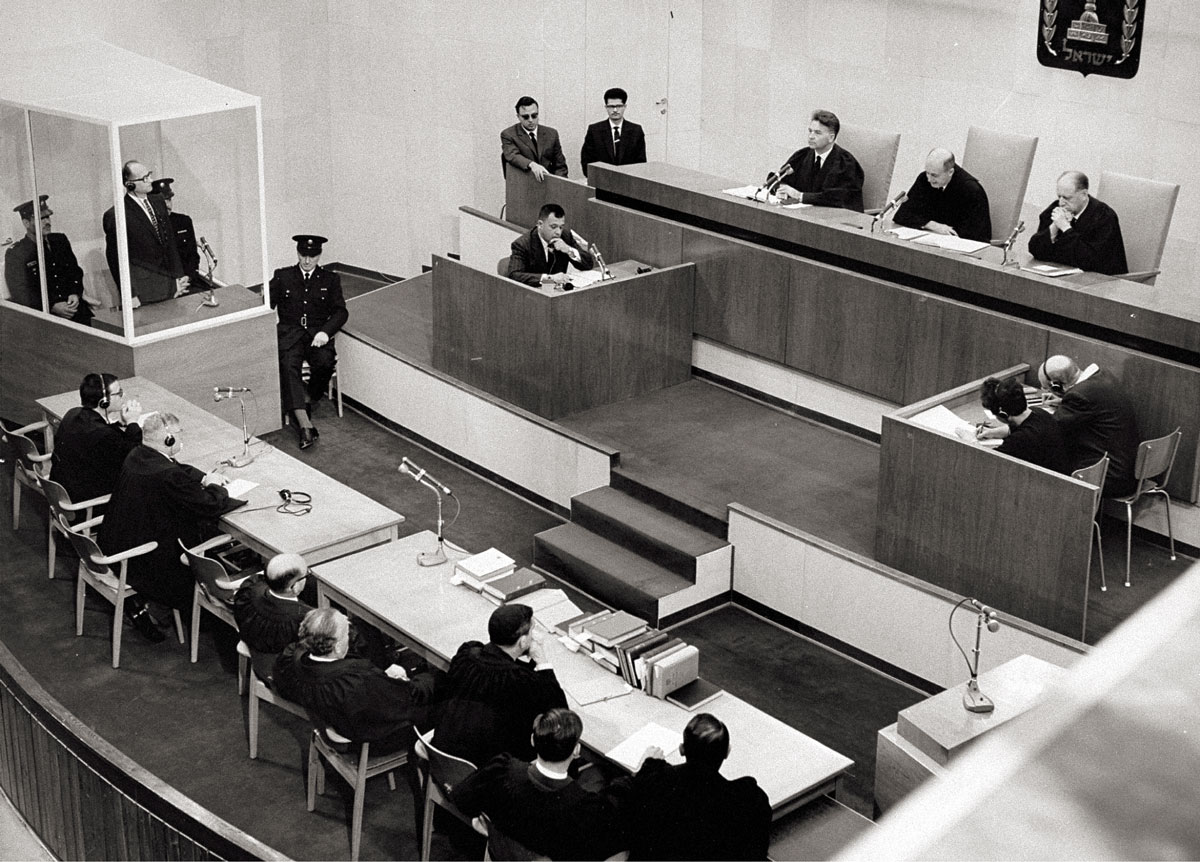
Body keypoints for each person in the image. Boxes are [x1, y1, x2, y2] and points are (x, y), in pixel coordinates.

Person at [98, 411, 242, 637]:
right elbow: (210, 504)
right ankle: (160, 609)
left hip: (117, 543)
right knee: (204, 528)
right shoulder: (167, 476)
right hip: (145, 562)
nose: (181, 436)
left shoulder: (138, 454)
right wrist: (216, 486)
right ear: (168, 439)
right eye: (178, 433)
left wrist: (204, 477)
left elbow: (175, 467)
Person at [451, 708, 624, 861]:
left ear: (533, 740)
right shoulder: (583, 808)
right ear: (576, 751)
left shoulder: (502, 769)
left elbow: (460, 797)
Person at [612, 713, 771, 861]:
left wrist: (648, 766)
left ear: (682, 749)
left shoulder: (654, 781)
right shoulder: (748, 799)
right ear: (727, 752)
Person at [435, 603, 567, 766]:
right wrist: (541, 661)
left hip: (445, 754)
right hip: (490, 768)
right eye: (533, 630)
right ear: (523, 641)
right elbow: (560, 715)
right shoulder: (520, 681)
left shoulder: (467, 655)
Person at [269, 234, 348, 450]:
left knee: (324, 362)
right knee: (287, 365)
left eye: (312, 256)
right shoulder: (283, 276)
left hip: (317, 336)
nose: (307, 261)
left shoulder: (330, 280)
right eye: (303, 255)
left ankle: (308, 397)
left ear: (319, 256)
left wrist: (325, 332)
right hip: (291, 335)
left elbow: (341, 312)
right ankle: (305, 424)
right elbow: (266, 303)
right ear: (297, 253)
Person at [1038, 355, 1140, 496]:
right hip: (1128, 471)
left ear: (1056, 385)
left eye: (1047, 388)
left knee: (1041, 460)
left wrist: (1026, 416)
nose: (1048, 392)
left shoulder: (1080, 396)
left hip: (1110, 477)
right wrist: (1065, 401)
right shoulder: (1102, 376)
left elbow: (1051, 429)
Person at [102, 160, 188, 305]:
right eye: (144, 178)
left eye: (149, 175)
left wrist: (179, 275)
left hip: (171, 283)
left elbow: (170, 242)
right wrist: (130, 295)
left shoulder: (158, 201)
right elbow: (116, 259)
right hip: (145, 290)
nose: (151, 180)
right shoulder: (116, 215)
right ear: (129, 184)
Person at [50, 373, 143, 503]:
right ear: (103, 402)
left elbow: (103, 434)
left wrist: (122, 423)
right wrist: (133, 422)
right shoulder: (104, 435)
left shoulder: (73, 413)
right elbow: (135, 456)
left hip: (63, 489)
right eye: (119, 393)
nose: (124, 395)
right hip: (86, 502)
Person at [4, 196, 94, 325]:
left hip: (73, 309)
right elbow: (20, 292)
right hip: (43, 316)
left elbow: (75, 271)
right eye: (41, 219)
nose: (47, 222)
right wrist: (51, 306)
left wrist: (75, 293)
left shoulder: (59, 240)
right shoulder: (17, 253)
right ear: (26, 223)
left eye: (48, 217)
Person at [1028, 171, 1128, 275]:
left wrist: (1066, 228)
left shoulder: (1104, 216)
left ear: (1084, 194)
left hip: (1101, 282)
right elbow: (1035, 250)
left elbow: (1090, 261)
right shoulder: (1056, 209)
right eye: (1059, 196)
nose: (1061, 203)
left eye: (1067, 198)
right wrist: (1054, 227)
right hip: (1062, 277)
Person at [891, 148, 992, 242]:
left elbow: (979, 236)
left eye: (934, 175)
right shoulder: (924, 179)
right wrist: (932, 225)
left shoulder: (972, 190)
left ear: (950, 172)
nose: (929, 179)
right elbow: (902, 215)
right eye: (927, 173)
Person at [974, 377, 1070, 474]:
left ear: (1003, 414)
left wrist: (970, 442)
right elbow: (1014, 428)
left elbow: (988, 461)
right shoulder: (1038, 412)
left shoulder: (1019, 440)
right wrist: (992, 432)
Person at [774, 109, 865, 212]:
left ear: (831, 137)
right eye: (810, 131)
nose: (811, 136)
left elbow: (838, 198)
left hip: (832, 220)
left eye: (817, 133)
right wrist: (782, 188)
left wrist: (800, 196)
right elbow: (779, 179)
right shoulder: (802, 155)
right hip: (802, 216)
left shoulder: (846, 164)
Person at [233, 553, 314, 657]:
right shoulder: (303, 618)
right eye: (306, 574)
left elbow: (258, 578)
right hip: (283, 667)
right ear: (294, 586)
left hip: (255, 649)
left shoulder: (248, 591)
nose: (307, 577)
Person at [507, 203, 595, 287]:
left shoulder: (565, 236)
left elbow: (588, 264)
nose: (558, 232)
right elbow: (514, 275)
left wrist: (569, 250)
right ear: (540, 225)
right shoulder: (522, 244)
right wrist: (549, 278)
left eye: (561, 227)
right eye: (553, 227)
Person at [151, 178, 207, 291]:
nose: (167, 205)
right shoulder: (150, 227)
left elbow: (193, 255)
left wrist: (188, 277)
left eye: (169, 200)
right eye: (162, 201)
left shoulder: (183, 221)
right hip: (165, 287)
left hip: (187, 281)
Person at [580, 87, 647, 178]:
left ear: (624, 107)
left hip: (629, 183)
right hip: (602, 184)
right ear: (606, 107)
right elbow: (587, 163)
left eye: (619, 106)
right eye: (611, 106)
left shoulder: (636, 131)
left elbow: (641, 164)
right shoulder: (594, 130)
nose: (615, 110)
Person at [501, 96, 568, 182]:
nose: (531, 120)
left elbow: (560, 165)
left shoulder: (551, 134)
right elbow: (512, 155)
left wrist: (559, 184)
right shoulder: (508, 134)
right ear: (518, 116)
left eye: (534, 116)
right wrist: (532, 165)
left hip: (549, 183)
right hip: (524, 184)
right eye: (525, 117)